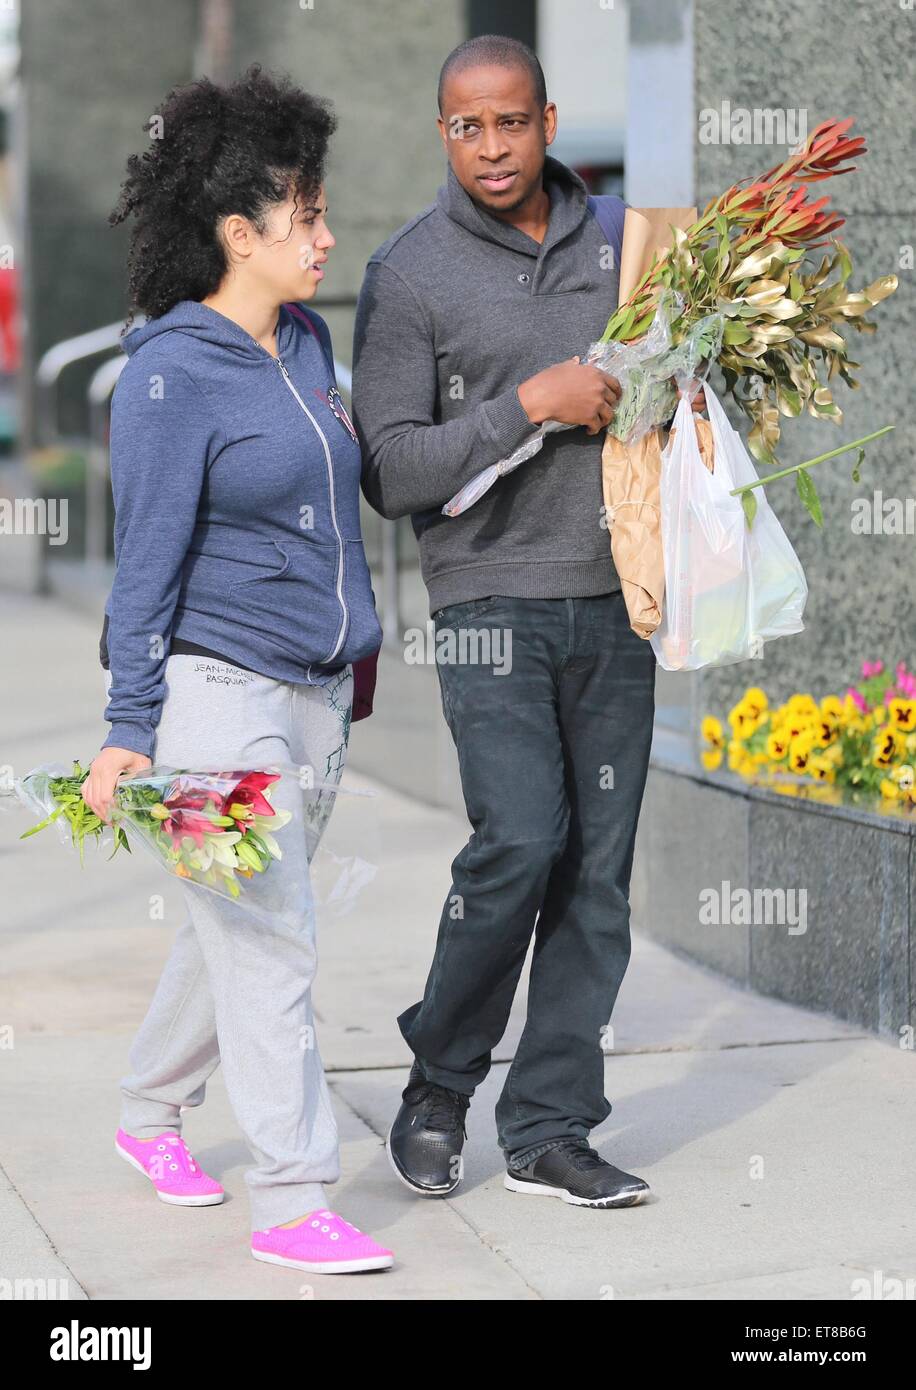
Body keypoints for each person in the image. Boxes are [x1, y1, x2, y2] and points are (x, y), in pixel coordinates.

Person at [354, 34, 703, 1210]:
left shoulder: (628, 247)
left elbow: (687, 388)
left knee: (596, 874)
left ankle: (551, 1125)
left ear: (548, 120)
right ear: (440, 131)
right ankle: (438, 1086)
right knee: (517, 842)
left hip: (615, 594)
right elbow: (392, 470)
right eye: (467, 127)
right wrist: (526, 404)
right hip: (486, 598)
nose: (491, 148)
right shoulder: (409, 274)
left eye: (510, 123)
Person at [81, 64, 392, 1274]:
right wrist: (125, 728)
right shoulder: (168, 374)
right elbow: (142, 565)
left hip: (316, 702)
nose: (324, 235)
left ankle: (147, 1112)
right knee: (272, 939)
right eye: (303, 215)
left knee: (232, 924)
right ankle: (295, 1196)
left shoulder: (308, 342)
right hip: (214, 699)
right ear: (235, 233)